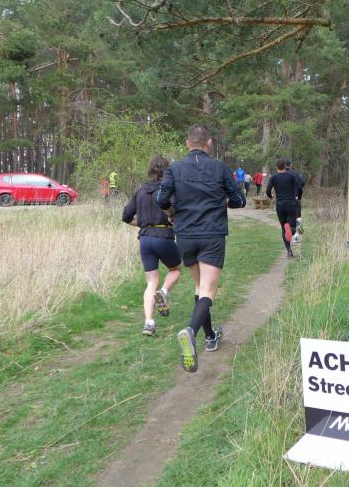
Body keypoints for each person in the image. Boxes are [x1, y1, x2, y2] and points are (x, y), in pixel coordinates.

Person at [155, 124, 246, 373]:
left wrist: (172, 212)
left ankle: (210, 337)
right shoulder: (220, 168)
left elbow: (161, 199)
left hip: (185, 235)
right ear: (209, 143)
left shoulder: (174, 169)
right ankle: (191, 332)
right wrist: (222, 201)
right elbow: (239, 200)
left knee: (199, 286)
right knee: (207, 289)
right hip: (212, 234)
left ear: (188, 143)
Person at [122, 157, 182, 336]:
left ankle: (149, 323)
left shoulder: (140, 190)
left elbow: (126, 216)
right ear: (167, 171)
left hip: (145, 239)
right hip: (164, 236)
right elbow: (175, 212)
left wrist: (142, 223)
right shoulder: (167, 190)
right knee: (176, 269)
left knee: (151, 282)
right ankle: (163, 292)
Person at [267, 159, 301, 258]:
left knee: (283, 228)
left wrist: (270, 196)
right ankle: (290, 229)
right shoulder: (291, 176)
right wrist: (297, 196)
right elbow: (299, 187)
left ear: (276, 167)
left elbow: (268, 190)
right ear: (286, 166)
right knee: (293, 226)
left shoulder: (274, 178)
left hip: (280, 205)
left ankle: (289, 251)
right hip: (291, 203)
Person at [285, 159, 305, 235]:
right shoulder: (295, 174)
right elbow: (302, 183)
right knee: (297, 216)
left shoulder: (281, 175)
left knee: (286, 217)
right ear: (291, 165)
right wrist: (299, 196)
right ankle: (298, 233)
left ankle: (289, 231)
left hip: (284, 199)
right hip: (294, 198)